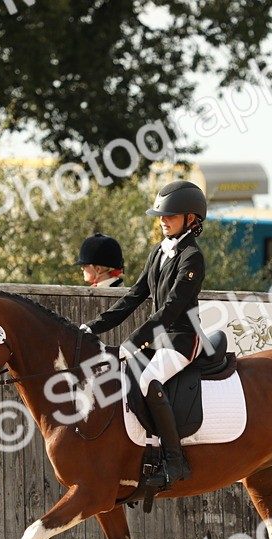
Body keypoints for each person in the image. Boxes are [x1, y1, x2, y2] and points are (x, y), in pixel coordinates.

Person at [80, 179, 207, 490]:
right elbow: (135, 295)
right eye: (161, 215)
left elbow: (172, 310)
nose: (163, 220)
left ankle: (175, 461)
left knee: (150, 381)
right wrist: (93, 326)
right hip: (160, 339)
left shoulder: (192, 257)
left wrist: (132, 343)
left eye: (170, 215)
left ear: (192, 219)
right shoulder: (159, 252)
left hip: (183, 339)